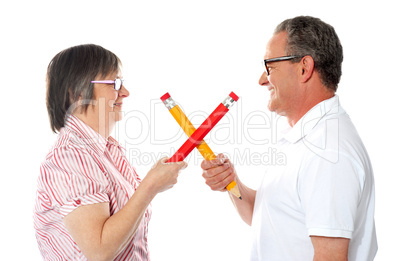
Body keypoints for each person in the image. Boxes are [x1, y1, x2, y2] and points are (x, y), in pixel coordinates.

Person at [201, 16, 377, 260]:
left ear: (304, 68)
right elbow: (267, 215)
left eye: (269, 67)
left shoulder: (327, 153)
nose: (262, 80)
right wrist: (233, 184)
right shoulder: (304, 138)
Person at [33, 44, 187, 260]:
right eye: (115, 83)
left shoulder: (107, 152)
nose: (125, 92)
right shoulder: (69, 157)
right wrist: (150, 186)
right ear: (76, 92)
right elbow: (99, 251)